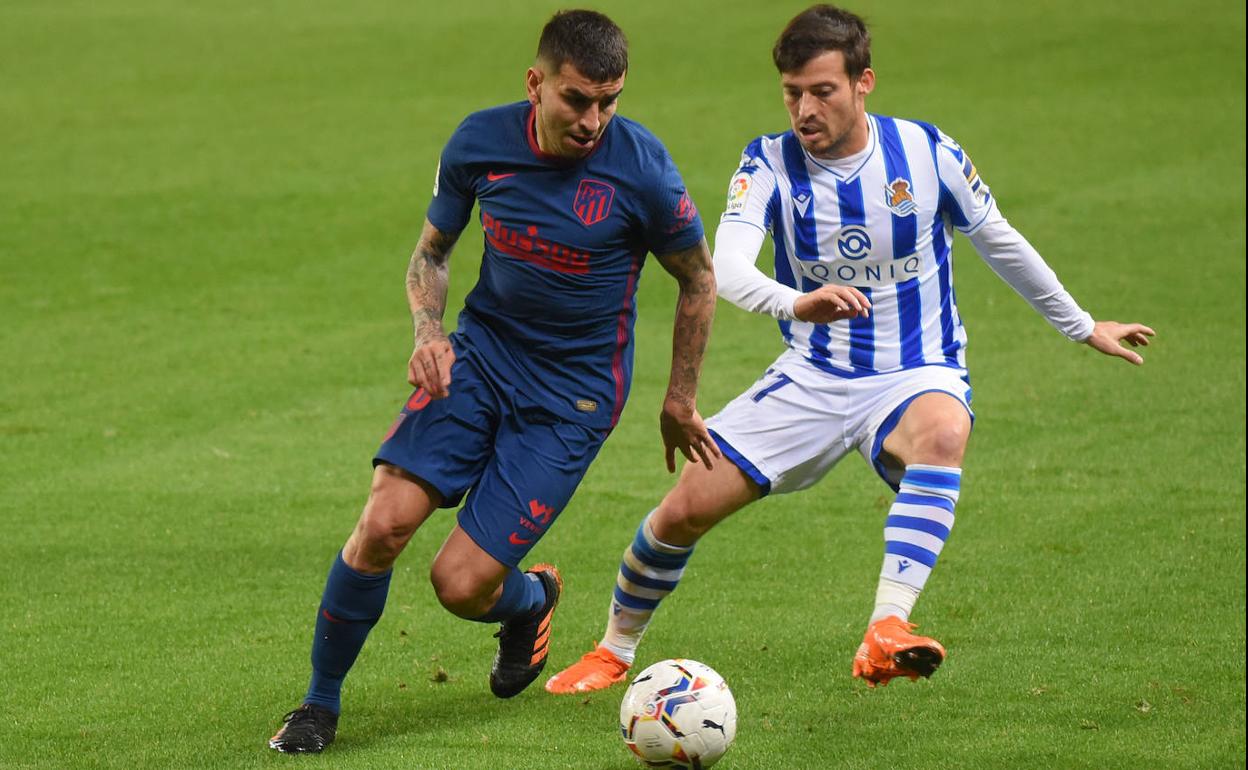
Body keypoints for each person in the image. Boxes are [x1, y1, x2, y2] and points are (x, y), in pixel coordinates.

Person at [545, 4, 1154, 695]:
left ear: (864, 83)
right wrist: (795, 301)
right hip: (813, 376)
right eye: (792, 93)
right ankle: (614, 648)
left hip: (915, 371)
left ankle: (888, 627)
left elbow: (999, 240)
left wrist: (1080, 323)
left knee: (944, 430)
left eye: (822, 91)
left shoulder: (927, 154)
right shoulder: (768, 161)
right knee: (681, 511)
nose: (804, 109)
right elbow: (730, 268)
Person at [269, 9, 719, 753]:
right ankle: (319, 704)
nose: (593, 121)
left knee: (460, 584)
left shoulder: (642, 169)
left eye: (610, 102)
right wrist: (428, 334)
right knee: (382, 525)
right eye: (577, 99)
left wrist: (679, 397)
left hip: (571, 398)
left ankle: (527, 601)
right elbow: (433, 253)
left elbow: (698, 280)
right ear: (535, 83)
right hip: (480, 357)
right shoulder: (480, 142)